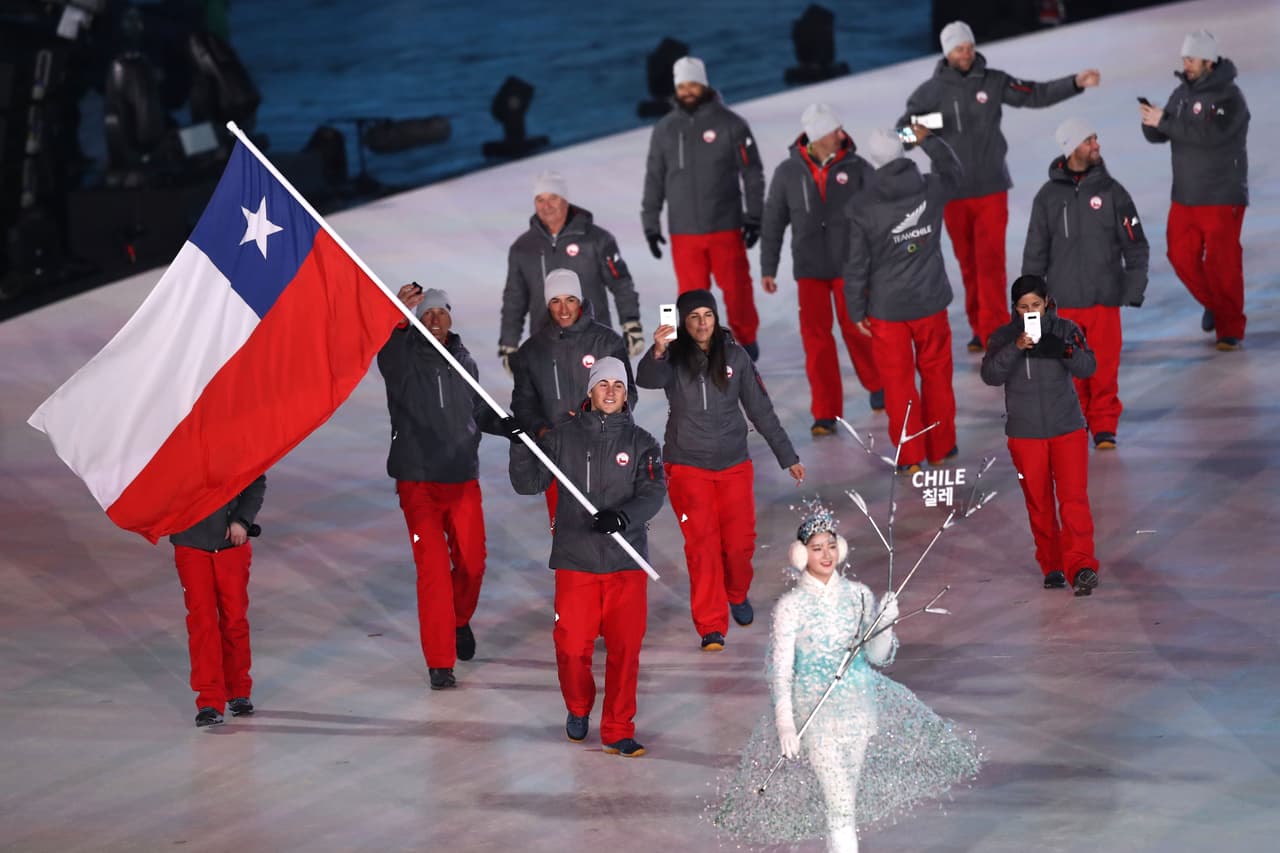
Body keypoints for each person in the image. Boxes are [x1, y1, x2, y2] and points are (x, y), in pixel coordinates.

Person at [713, 508, 981, 852]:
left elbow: (877, 656)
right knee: (840, 806)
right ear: (801, 554)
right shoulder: (791, 607)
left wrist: (887, 621)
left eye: (830, 545)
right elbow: (781, 671)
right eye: (816, 548)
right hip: (817, 717)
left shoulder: (858, 595)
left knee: (844, 808)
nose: (825, 554)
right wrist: (785, 724)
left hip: (858, 712)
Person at [898, 20, 1099, 352]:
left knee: (989, 262)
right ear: (947, 53)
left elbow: (1035, 94)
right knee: (968, 264)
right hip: (952, 193)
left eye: (969, 47)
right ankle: (979, 327)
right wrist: (922, 129)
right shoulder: (930, 92)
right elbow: (902, 135)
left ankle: (992, 330)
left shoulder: (992, 82)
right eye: (959, 49)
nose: (966, 53)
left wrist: (1075, 83)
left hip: (991, 188)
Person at [508, 357, 666, 757]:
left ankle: (618, 728)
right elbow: (528, 484)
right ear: (590, 391)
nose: (610, 391)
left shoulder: (643, 442)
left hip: (625, 563)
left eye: (618, 384)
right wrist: (519, 444)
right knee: (571, 647)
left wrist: (623, 517)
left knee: (625, 651)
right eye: (602, 384)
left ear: (627, 393)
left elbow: (653, 493)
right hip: (576, 561)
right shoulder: (563, 438)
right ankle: (578, 706)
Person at [635, 288, 803, 650]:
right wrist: (659, 350)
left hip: (733, 465)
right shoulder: (673, 359)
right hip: (686, 466)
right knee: (702, 547)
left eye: (707, 315)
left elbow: (760, 409)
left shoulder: (736, 357)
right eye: (693, 317)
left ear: (716, 318)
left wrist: (787, 455)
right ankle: (711, 625)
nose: (701, 323)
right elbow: (644, 379)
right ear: (682, 321)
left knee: (740, 545)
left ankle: (737, 592)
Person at [378, 285, 505, 690]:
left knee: (472, 563)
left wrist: (511, 427)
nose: (434, 319)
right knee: (433, 570)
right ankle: (439, 661)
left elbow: (479, 411)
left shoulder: (464, 361)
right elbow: (388, 346)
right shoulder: (403, 357)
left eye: (441, 313)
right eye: (427, 314)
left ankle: (459, 619)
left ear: (451, 318)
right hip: (418, 482)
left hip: (462, 477)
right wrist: (400, 311)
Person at [1023, 119, 1149, 451]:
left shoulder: (1113, 192)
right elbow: (1034, 256)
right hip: (1064, 302)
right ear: (1071, 148)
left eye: (1095, 137)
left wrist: (1133, 288)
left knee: (1104, 369)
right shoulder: (1047, 198)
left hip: (1104, 298)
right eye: (1088, 140)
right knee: (1072, 368)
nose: (1096, 145)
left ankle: (1104, 426)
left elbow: (1135, 244)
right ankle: (1078, 420)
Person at [843, 127, 961, 474]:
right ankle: (941, 448)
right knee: (937, 375)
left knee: (897, 383)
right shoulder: (931, 187)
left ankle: (911, 458)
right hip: (930, 301)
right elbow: (955, 171)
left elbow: (855, 265)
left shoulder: (861, 206)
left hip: (887, 310)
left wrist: (855, 309)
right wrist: (927, 138)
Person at [760, 103, 884, 436]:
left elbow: (879, 211)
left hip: (851, 267)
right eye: (834, 131)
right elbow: (773, 222)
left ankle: (879, 385)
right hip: (810, 271)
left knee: (859, 330)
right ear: (816, 138)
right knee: (816, 343)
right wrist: (768, 267)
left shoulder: (857, 167)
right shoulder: (788, 172)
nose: (841, 134)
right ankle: (825, 413)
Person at [980, 275, 1100, 596]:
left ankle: (1082, 565)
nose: (1030, 311)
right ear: (1014, 308)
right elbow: (990, 374)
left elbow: (1089, 367)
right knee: (1039, 502)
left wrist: (1065, 351)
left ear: (1047, 302)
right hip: (1025, 435)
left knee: (1074, 500)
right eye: (1023, 307)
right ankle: (1052, 565)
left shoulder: (1065, 329)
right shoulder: (1004, 336)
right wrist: (1016, 347)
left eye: (1036, 304)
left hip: (1067, 429)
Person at [641, 56, 766, 360]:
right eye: (681, 86)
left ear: (704, 85)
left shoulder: (731, 124)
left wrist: (754, 216)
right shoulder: (665, 130)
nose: (687, 91)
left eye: (692, 84)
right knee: (691, 296)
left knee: (737, 289)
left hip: (724, 225)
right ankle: (698, 349)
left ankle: (746, 342)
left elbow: (752, 173)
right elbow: (655, 177)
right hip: (684, 231)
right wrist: (651, 224)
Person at [1140, 29, 1250, 351]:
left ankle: (1230, 329)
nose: (1186, 63)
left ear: (1209, 61)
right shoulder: (1182, 94)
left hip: (1221, 195)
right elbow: (1164, 134)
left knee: (1222, 264)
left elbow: (1210, 137)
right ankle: (1215, 305)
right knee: (1180, 256)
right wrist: (1151, 123)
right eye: (1184, 58)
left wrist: (1166, 122)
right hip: (1185, 195)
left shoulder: (1230, 98)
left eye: (1191, 58)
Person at [510, 268, 636, 525]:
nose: (564, 309)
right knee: (569, 537)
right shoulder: (531, 352)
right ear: (548, 305)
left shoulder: (607, 342)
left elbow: (629, 393)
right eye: (555, 301)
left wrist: (595, 419)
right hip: (560, 456)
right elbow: (522, 404)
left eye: (570, 299)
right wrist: (543, 430)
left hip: (607, 449)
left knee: (615, 533)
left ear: (579, 300)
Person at [499, 171, 644, 374]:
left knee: (600, 400)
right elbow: (515, 298)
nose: (546, 205)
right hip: (546, 343)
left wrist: (631, 323)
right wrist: (509, 344)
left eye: (553, 198)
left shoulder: (597, 239)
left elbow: (621, 283)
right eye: (540, 199)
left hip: (595, 340)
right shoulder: (523, 248)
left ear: (565, 201)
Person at [170, 474, 266, 727]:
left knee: (234, 619)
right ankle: (210, 700)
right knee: (202, 622)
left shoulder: (234, 442)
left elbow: (256, 481)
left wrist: (242, 521)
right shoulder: (173, 447)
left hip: (232, 544)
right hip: (190, 543)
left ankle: (238, 691)